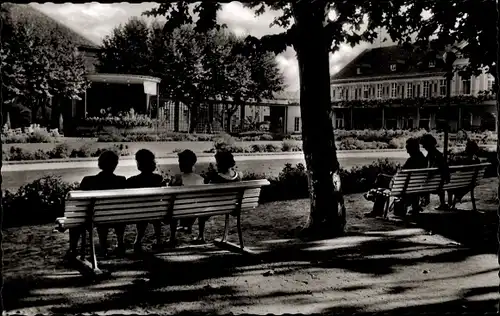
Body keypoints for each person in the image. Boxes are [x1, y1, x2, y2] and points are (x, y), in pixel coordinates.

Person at [66, 150, 127, 260]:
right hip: (117, 217)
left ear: (99, 164)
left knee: (76, 218)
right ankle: (120, 243)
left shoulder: (88, 180)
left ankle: (73, 249)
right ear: (116, 164)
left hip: (94, 218)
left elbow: (80, 203)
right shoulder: (121, 180)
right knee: (116, 213)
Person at [364, 138, 427, 217]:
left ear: (412, 148)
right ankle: (372, 195)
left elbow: (400, 175)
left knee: (381, 183)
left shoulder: (411, 161)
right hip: (418, 188)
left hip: (403, 189)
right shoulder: (424, 159)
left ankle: (376, 208)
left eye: (408, 149)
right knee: (383, 181)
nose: (407, 151)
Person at [194, 151, 243, 244]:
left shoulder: (216, 178)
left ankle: (201, 236)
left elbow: (207, 191)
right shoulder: (238, 176)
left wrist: (210, 175)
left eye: (217, 162)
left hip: (217, 207)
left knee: (201, 211)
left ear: (220, 163)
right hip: (233, 207)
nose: (216, 164)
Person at [126, 149, 166, 253]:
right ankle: (159, 240)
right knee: (154, 215)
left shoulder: (132, 180)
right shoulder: (158, 178)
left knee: (142, 216)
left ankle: (138, 241)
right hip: (156, 210)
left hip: (139, 212)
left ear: (139, 164)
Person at [168, 149, 205, 244]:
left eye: (180, 162)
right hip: (197, 210)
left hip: (178, 210)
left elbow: (169, 194)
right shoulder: (200, 179)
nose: (179, 164)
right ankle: (201, 236)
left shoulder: (177, 178)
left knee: (173, 208)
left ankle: (172, 237)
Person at [447, 140, 481, 209]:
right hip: (470, 183)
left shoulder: (464, 160)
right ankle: (455, 200)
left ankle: (450, 203)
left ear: (467, 148)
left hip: (460, 184)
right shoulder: (476, 160)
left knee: (448, 183)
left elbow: (454, 164)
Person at [420, 133, 450, 211]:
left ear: (427, 145)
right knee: (439, 182)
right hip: (439, 184)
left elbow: (429, 171)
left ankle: (423, 201)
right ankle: (442, 203)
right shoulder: (439, 155)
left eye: (424, 145)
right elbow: (444, 170)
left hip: (432, 185)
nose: (423, 147)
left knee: (422, 181)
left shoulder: (432, 156)